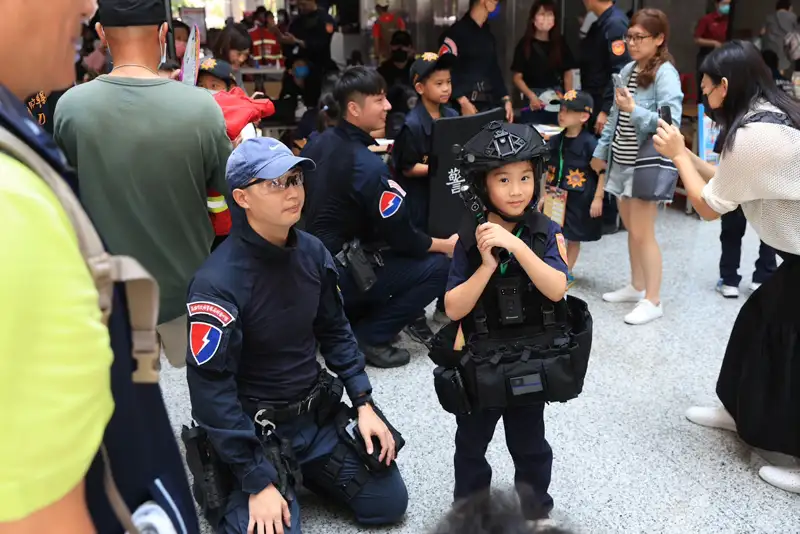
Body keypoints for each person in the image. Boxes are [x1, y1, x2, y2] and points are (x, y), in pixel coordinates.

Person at [0, 0, 197, 532]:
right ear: (163, 33)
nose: (87, 5)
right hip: (180, 287)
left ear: (107, 37)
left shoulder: (62, 113)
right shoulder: (13, 203)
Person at [186, 137, 408, 533]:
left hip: (314, 420)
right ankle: (247, 483)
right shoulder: (216, 283)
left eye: (295, 180)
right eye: (274, 184)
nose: (292, 193)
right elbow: (210, 393)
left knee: (388, 504)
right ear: (242, 197)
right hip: (255, 430)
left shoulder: (313, 252)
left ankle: (302, 475)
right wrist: (255, 479)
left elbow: (336, 331)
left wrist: (363, 403)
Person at [653, 40, 800, 494]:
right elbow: (725, 179)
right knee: (756, 322)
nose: (703, 96)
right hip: (793, 258)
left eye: (706, 88)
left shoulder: (754, 137)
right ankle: (736, 408)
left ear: (725, 86)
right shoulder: (763, 117)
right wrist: (684, 155)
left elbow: (711, 207)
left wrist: (678, 154)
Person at [54, 1, 233, 368]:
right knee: (205, 387)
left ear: (102, 35)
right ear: (164, 35)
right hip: (187, 290)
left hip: (107, 293)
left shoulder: (71, 108)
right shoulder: (201, 108)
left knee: (124, 400)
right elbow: (228, 186)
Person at [439, 120, 591, 526]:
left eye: (525, 177)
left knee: (530, 445)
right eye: (503, 179)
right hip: (481, 358)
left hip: (532, 356)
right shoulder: (470, 240)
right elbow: (453, 308)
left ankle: (536, 513)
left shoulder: (545, 232)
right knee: (471, 444)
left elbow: (557, 288)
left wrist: (518, 246)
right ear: (481, 185)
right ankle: (469, 512)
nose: (516, 189)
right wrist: (486, 265)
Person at [302, 66, 455, 367]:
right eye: (380, 100)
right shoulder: (368, 168)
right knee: (441, 266)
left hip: (310, 270)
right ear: (354, 109)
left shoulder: (317, 142)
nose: (388, 107)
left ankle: (344, 318)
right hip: (341, 275)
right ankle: (371, 335)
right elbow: (404, 238)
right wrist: (444, 245)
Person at [590, 9, 683, 326]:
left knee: (644, 234)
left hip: (647, 162)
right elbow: (615, 118)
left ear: (659, 39)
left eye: (639, 37)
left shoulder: (665, 73)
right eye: (629, 36)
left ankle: (653, 299)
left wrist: (635, 109)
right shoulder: (628, 69)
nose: (631, 42)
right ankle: (636, 285)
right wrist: (601, 152)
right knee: (632, 229)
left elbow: (671, 122)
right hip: (622, 161)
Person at [392, 52, 458, 232]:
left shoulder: (452, 115)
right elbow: (407, 168)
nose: (446, 88)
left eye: (448, 82)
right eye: (439, 83)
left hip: (448, 194)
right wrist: (439, 168)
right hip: (422, 201)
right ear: (420, 88)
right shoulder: (412, 125)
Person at [543, 90, 603, 285]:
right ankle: (552, 266)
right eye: (561, 109)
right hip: (555, 196)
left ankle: (566, 271)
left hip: (579, 198)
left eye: (568, 111)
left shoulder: (590, 144)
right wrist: (543, 194)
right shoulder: (555, 141)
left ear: (584, 116)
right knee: (553, 232)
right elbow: (548, 169)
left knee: (572, 236)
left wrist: (598, 198)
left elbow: (602, 171)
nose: (561, 114)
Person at [438, 0, 514, 122]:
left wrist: (505, 98)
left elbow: (494, 70)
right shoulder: (455, 33)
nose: (497, 2)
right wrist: (462, 101)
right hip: (461, 107)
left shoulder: (488, 35)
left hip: (488, 105)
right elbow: (444, 70)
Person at [512, 0, 576, 125]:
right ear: (533, 18)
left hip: (556, 98)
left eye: (550, 15)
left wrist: (568, 100)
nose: (546, 19)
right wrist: (531, 96)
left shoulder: (560, 43)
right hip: (533, 100)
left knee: (554, 134)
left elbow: (568, 73)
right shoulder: (525, 44)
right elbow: (517, 77)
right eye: (542, 14)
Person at [578, 0, 630, 136]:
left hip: (605, 101)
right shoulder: (599, 24)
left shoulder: (615, 24)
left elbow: (621, 70)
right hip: (594, 99)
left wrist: (607, 109)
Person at [694, 0, 730, 100]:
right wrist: (714, 43)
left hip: (724, 56)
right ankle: (701, 112)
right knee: (704, 87)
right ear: (717, 4)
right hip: (707, 55)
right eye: (724, 3)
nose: (727, 6)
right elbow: (697, 39)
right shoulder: (707, 19)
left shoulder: (730, 20)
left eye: (729, 4)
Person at [761, 0, 797, 75]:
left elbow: (762, 32)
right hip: (785, 52)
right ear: (789, 8)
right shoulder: (793, 17)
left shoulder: (769, 17)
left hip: (769, 51)